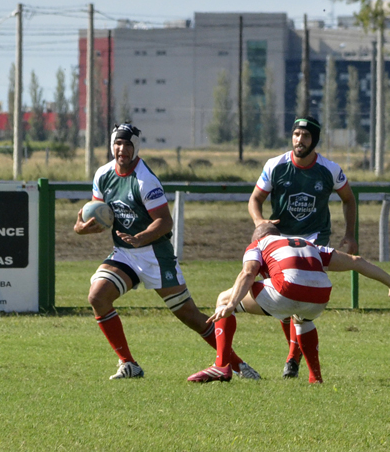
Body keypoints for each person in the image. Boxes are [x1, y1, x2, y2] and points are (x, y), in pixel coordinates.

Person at [74, 123, 260, 380]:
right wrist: (82, 228)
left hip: (155, 255)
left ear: (136, 148)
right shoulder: (103, 175)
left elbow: (164, 221)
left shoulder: (145, 180)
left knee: (191, 316)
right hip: (125, 253)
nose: (122, 149)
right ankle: (129, 364)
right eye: (118, 143)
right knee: (97, 297)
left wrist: (141, 237)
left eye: (128, 144)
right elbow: (98, 214)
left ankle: (238, 366)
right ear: (111, 146)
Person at [186, 222, 390, 384]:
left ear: (257, 237)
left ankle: (221, 366)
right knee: (302, 319)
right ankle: (316, 377)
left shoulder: (258, 245)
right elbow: (356, 261)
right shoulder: (308, 243)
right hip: (320, 295)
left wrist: (231, 303)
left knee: (224, 298)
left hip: (286, 290)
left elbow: (248, 273)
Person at [248, 115, 359, 379]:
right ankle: (296, 357)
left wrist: (350, 235)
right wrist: (260, 222)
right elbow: (255, 199)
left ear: (315, 140)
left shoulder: (330, 169)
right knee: (285, 301)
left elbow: (349, 200)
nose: (300, 140)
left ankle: (293, 358)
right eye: (297, 134)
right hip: (279, 242)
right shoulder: (276, 165)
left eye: (306, 136)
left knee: (302, 300)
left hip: (314, 239)